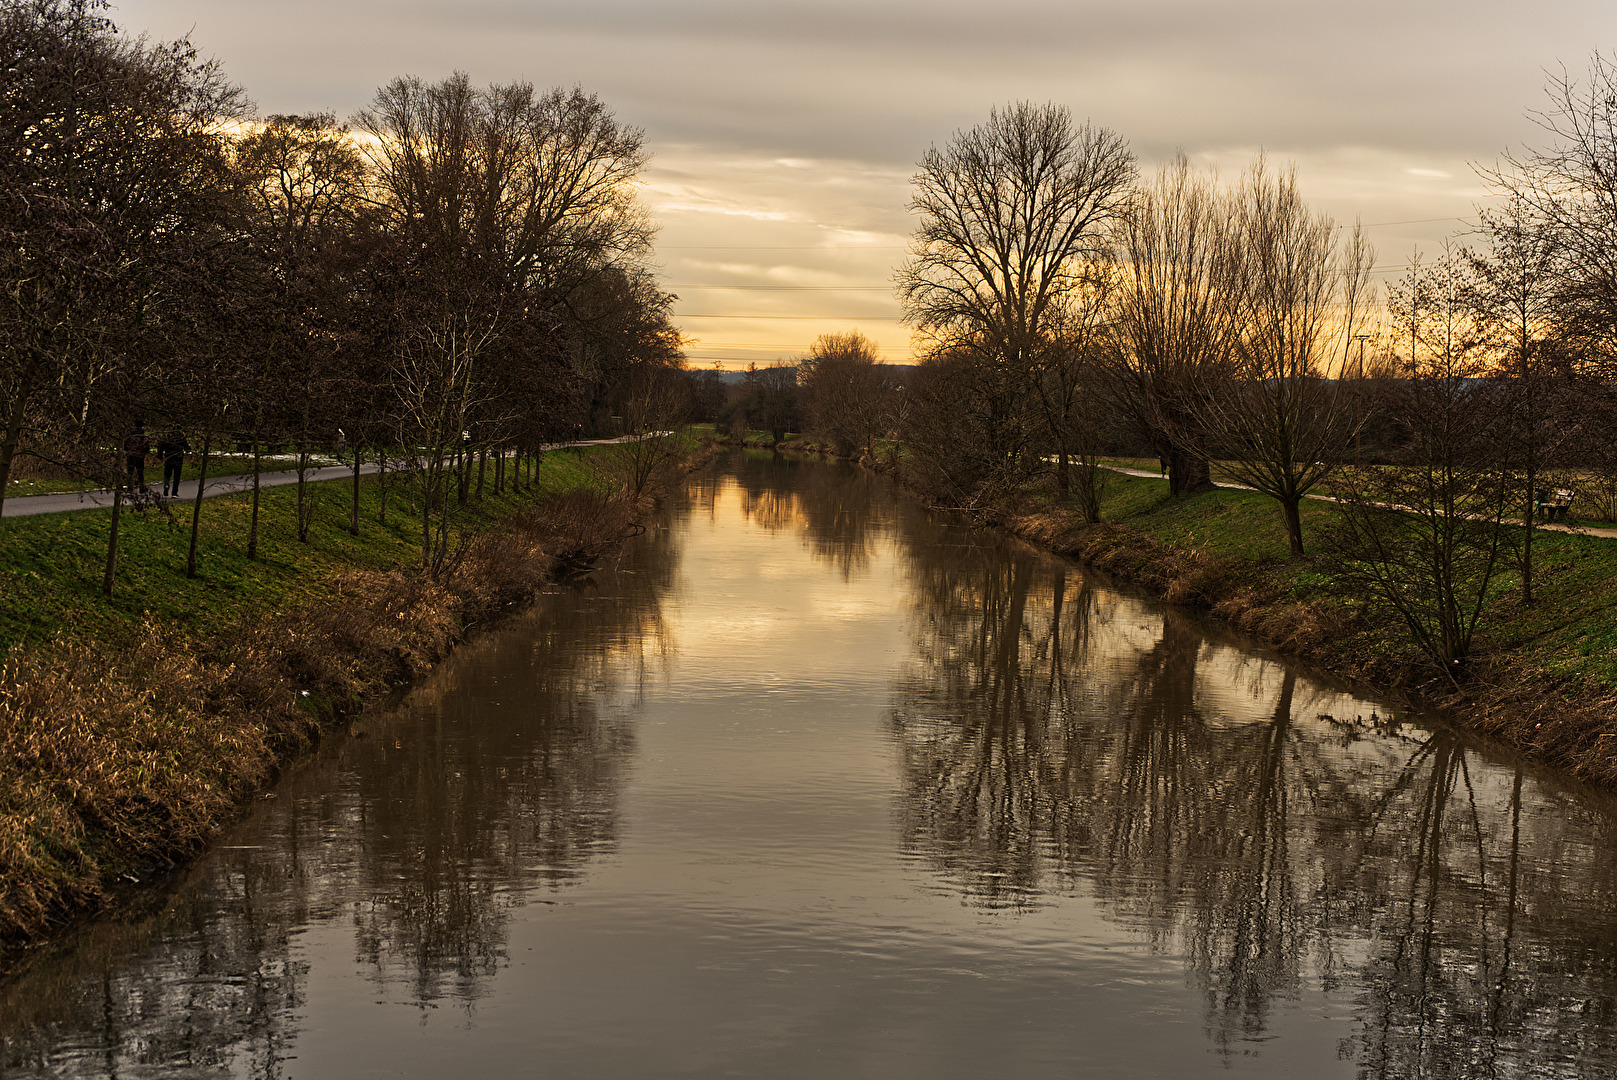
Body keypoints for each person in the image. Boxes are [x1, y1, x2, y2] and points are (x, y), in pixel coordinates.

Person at [157, 430, 190, 497]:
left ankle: (166, 484)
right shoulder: (181, 438)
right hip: (178, 460)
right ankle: (174, 493)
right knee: (177, 476)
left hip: (168, 458)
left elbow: (161, 446)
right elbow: (187, 449)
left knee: (167, 474)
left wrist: (160, 456)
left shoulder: (168, 438)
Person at [123, 420, 150, 492]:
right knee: (140, 472)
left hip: (131, 455)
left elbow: (125, 445)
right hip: (140, 456)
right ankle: (141, 487)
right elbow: (146, 447)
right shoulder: (143, 436)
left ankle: (129, 487)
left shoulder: (130, 435)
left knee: (130, 472)